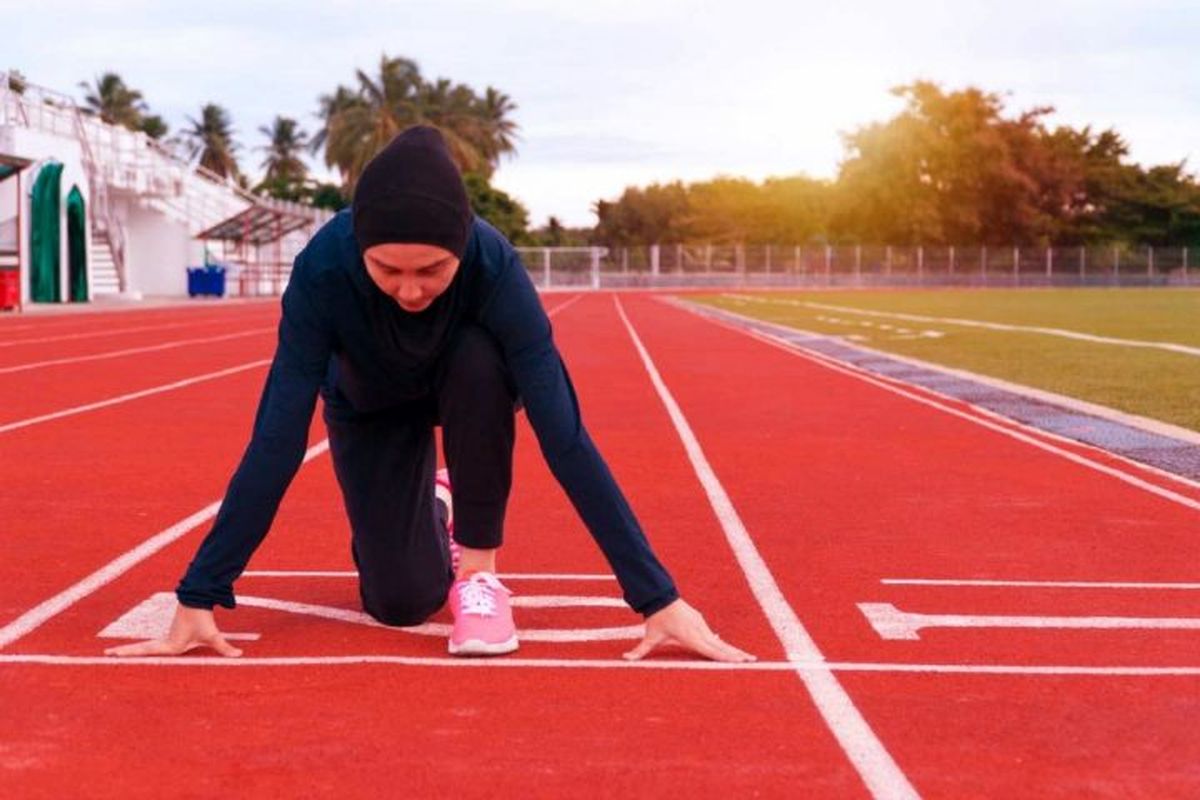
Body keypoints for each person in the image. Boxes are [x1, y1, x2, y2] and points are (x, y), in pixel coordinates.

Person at [106, 126, 753, 663]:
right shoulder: (322, 273)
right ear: (359, 247)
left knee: (478, 360)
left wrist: (656, 597)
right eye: (388, 270)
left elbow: (565, 435)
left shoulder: (495, 267)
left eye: (431, 271)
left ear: (462, 247)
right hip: (368, 401)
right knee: (399, 603)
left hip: (465, 388)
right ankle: (432, 512)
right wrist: (202, 591)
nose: (410, 291)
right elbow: (277, 437)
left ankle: (478, 574)